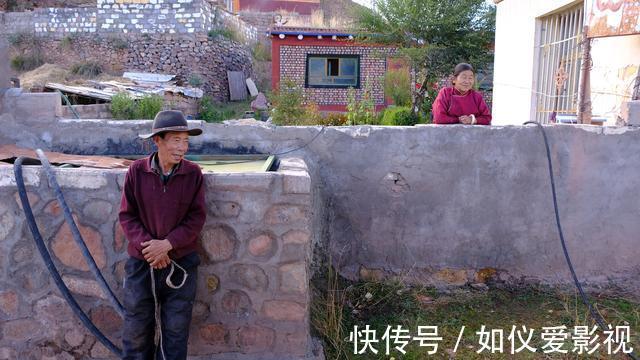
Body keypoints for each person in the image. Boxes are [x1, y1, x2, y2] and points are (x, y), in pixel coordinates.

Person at [119, 110, 206, 360]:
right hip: (141, 264)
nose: (182, 148)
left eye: (186, 141)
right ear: (158, 141)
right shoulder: (136, 172)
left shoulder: (192, 174)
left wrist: (167, 245)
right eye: (176, 140)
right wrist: (151, 249)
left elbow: (196, 218)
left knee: (175, 334)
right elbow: (127, 216)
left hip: (180, 264)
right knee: (136, 331)